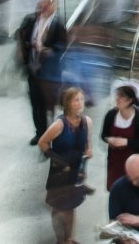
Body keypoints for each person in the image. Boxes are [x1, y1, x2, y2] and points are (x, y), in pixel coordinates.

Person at [38, 87, 93, 244]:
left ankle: (69, 238)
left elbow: (88, 145)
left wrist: (88, 151)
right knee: (59, 207)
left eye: (82, 99)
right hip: (59, 173)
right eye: (76, 100)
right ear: (68, 103)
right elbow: (42, 143)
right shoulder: (59, 124)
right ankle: (60, 240)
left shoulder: (86, 122)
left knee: (71, 207)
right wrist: (58, 161)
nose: (80, 103)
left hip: (76, 172)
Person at [18, 0, 68, 145]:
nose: (43, 7)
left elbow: (63, 46)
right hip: (33, 69)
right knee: (35, 103)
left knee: (48, 106)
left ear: (54, 6)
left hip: (48, 74)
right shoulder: (31, 21)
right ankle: (39, 132)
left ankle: (49, 134)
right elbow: (22, 38)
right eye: (41, 4)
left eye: (47, 4)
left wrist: (50, 51)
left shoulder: (57, 24)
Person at [101, 86, 139, 192]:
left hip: (133, 166)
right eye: (117, 95)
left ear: (130, 100)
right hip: (114, 163)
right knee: (115, 191)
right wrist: (109, 140)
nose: (117, 99)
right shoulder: (111, 115)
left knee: (131, 192)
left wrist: (127, 142)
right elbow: (103, 135)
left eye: (121, 96)